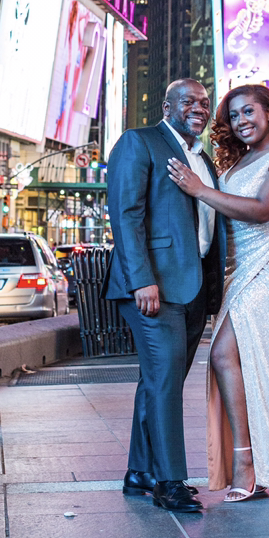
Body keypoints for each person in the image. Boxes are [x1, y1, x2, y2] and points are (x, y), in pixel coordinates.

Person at [167, 85, 269, 502]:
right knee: (243, 359)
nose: (242, 120)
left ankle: (248, 461)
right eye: (234, 115)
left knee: (227, 354)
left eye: (250, 110)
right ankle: (251, 461)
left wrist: (199, 189)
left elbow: (265, 209)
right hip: (239, 268)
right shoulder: (239, 160)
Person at [105, 79, 226, 513]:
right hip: (153, 287)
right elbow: (126, 214)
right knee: (165, 384)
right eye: (189, 101)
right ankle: (169, 482)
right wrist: (142, 280)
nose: (199, 108)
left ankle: (140, 470)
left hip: (193, 289)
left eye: (205, 103)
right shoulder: (140, 143)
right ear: (167, 104)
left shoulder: (203, 159)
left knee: (159, 382)